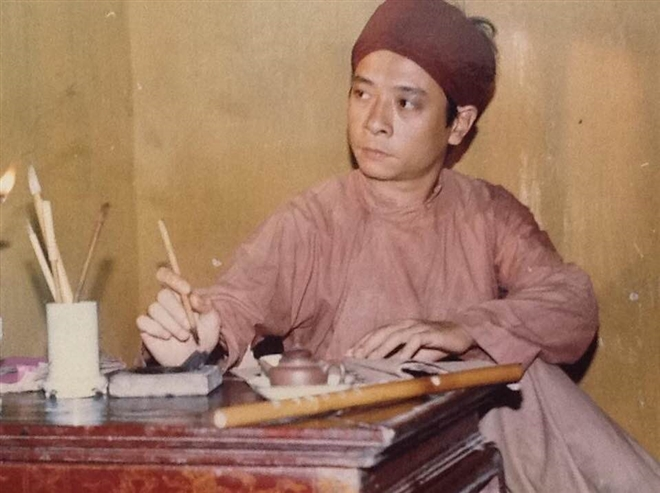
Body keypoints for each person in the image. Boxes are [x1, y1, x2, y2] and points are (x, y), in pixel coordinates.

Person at [137, 1, 660, 490]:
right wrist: (199, 343)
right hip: (364, 465)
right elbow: (236, 302)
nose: (375, 122)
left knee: (526, 384)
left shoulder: (487, 212)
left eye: (406, 102)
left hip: (469, 463)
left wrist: (464, 330)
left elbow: (570, 303)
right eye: (362, 94)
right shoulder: (315, 220)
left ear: (458, 124)